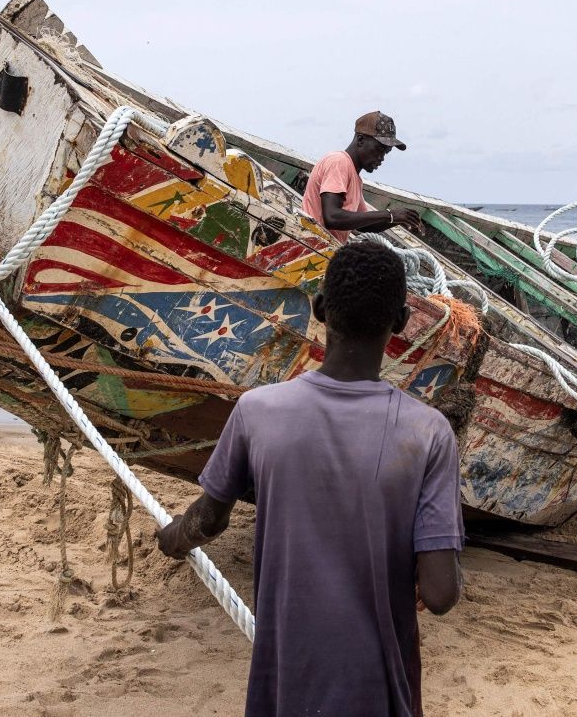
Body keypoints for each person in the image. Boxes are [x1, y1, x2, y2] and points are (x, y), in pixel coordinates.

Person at [156, 239, 463, 716]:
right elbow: (441, 594)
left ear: (319, 309)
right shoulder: (429, 432)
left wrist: (172, 538)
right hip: (379, 691)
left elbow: (209, 520)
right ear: (401, 322)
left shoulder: (258, 411)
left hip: (287, 684)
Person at [301, 111, 425, 242]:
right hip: (309, 246)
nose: (382, 158)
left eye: (386, 153)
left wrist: (399, 219)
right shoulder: (339, 162)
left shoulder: (355, 178)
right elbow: (332, 218)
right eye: (379, 149)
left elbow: (365, 226)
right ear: (360, 139)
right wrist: (389, 214)